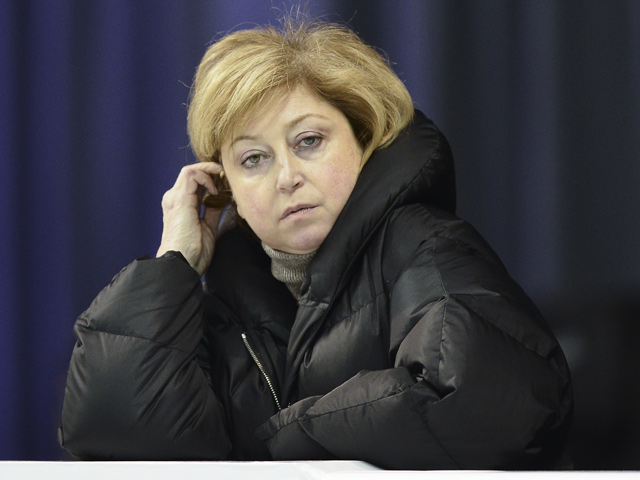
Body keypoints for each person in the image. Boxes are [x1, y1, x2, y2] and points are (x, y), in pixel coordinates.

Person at [58, 19, 573, 469]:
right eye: (253, 159)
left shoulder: (423, 243)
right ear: (226, 189)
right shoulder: (227, 298)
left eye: (309, 141)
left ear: (364, 140)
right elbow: (114, 435)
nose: (287, 177)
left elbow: (474, 404)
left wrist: (284, 442)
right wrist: (175, 263)